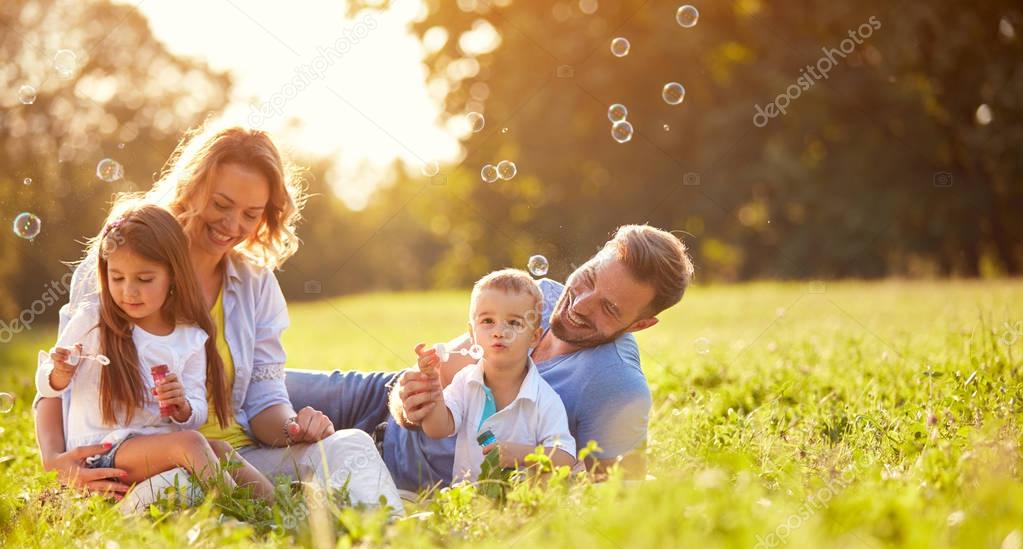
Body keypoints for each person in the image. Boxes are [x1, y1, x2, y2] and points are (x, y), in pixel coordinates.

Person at [34, 125, 403, 514]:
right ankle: (270, 520)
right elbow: (56, 384)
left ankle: (381, 537)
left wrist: (294, 428)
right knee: (181, 490)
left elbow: (264, 399)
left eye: (250, 214)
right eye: (221, 204)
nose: (232, 225)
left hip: (237, 462)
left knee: (351, 446)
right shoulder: (121, 266)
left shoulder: (254, 284)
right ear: (191, 187)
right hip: (141, 465)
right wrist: (55, 461)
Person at [286, 224, 694, 491]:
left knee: (269, 447)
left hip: (398, 471)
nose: (580, 305)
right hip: (378, 397)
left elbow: (612, 496)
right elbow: (443, 367)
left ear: (640, 325)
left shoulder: (616, 384)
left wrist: (528, 460)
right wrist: (409, 400)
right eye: (588, 278)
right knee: (255, 385)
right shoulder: (544, 294)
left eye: (609, 309)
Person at [35, 205, 273, 499]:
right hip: (101, 452)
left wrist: (183, 406)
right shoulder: (93, 319)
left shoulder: (190, 337)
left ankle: (277, 505)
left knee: (221, 449)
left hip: (151, 449)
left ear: (173, 276)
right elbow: (46, 387)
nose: (128, 292)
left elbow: (197, 410)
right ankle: (240, 509)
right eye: (117, 278)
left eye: (144, 279)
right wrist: (58, 374)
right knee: (190, 445)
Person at [414, 269, 575, 482]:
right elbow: (436, 429)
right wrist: (433, 387)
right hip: (468, 501)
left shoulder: (543, 398)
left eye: (514, 323)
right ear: (472, 334)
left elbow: (565, 457)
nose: (499, 331)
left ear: (534, 338)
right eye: (488, 321)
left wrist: (522, 455)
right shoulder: (464, 382)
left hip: (520, 505)